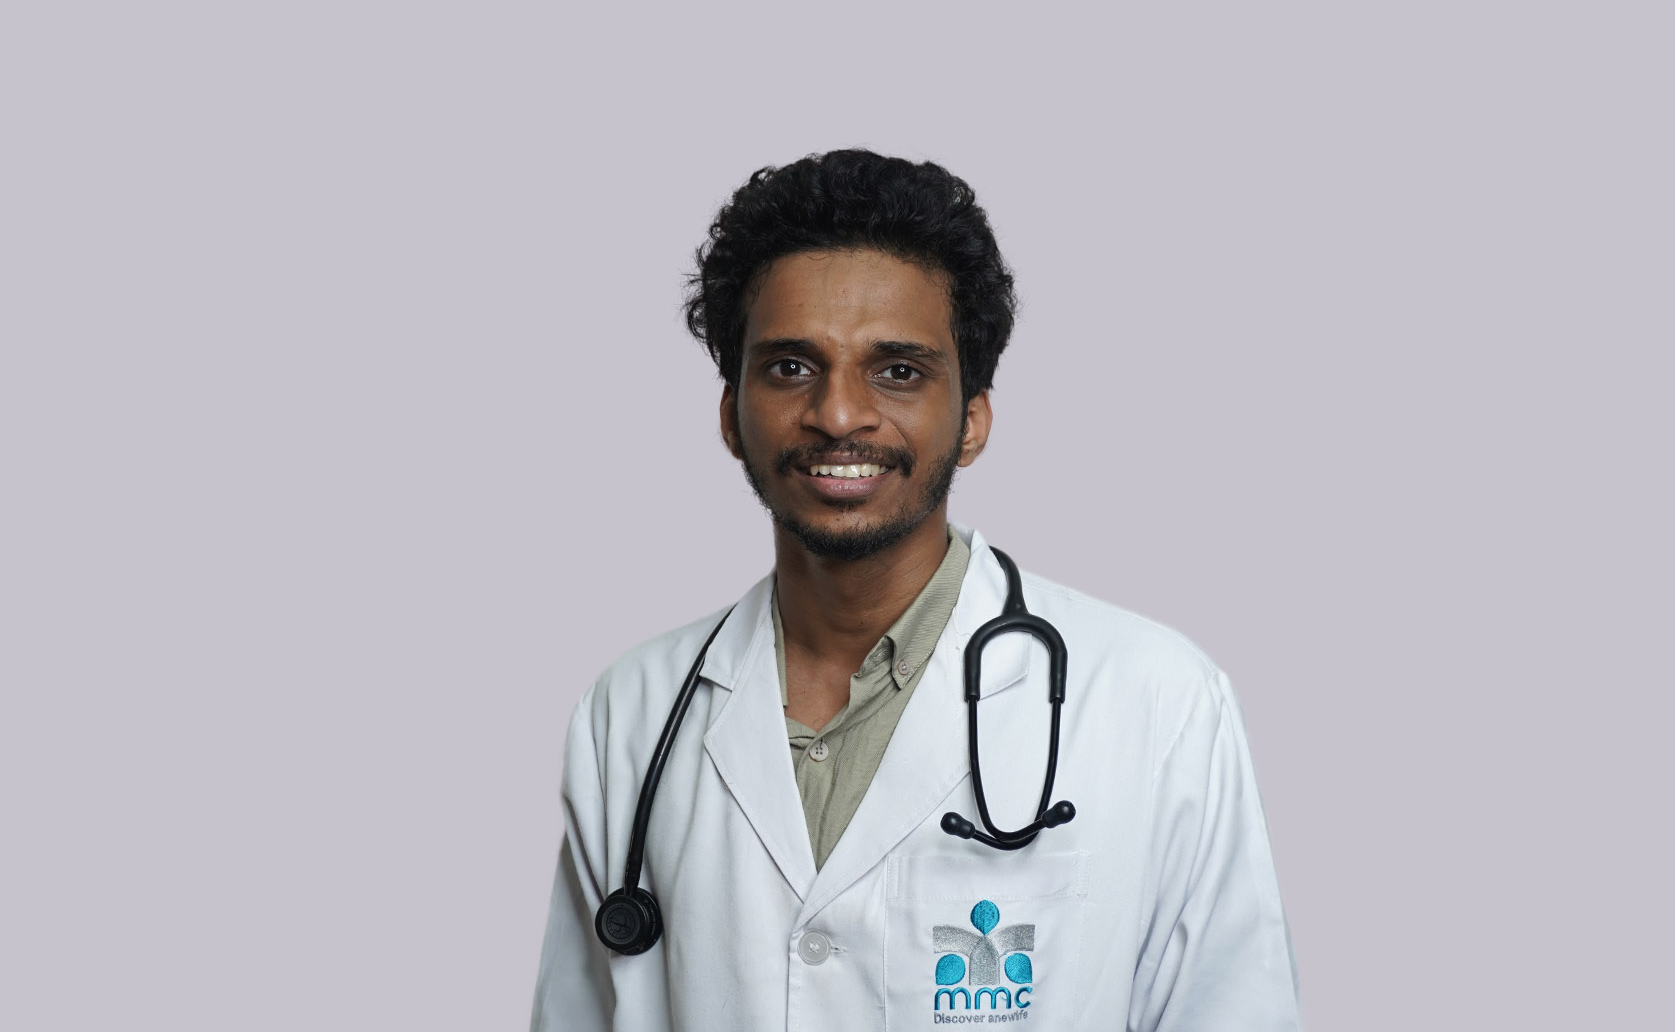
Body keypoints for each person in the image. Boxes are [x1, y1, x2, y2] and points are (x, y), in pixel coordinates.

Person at [530, 149, 1302, 1031]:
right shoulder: (630, 712)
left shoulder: (1154, 700)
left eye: (897, 370)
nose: (838, 414)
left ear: (970, 419)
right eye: (789, 367)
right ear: (729, 416)